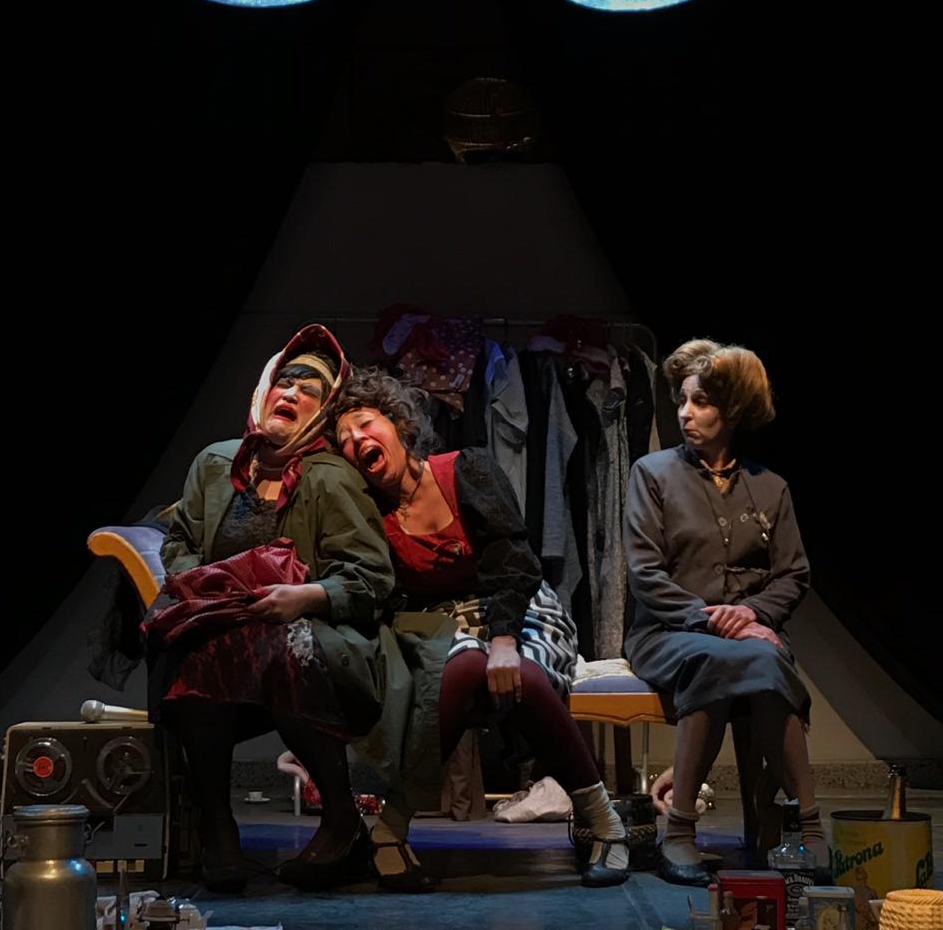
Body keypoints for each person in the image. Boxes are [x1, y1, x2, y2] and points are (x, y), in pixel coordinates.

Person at [333, 367, 630, 891]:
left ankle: (606, 824)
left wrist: (504, 639)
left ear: (398, 423)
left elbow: (513, 558)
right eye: (344, 440)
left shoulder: (465, 469)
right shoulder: (370, 515)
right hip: (439, 628)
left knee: (526, 677)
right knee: (464, 668)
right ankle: (390, 830)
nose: (357, 441)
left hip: (518, 607)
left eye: (364, 424)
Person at [148, 325, 394, 893]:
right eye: (285, 381)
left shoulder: (331, 478)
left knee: (285, 645)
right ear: (264, 391)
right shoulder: (215, 463)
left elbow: (371, 578)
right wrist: (202, 583)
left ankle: (340, 819)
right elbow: (180, 540)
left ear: (323, 411)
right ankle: (217, 825)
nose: (292, 393)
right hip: (220, 626)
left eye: (310, 390)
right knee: (196, 648)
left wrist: (303, 596)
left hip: (315, 635)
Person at [623, 338, 824, 886]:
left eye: (701, 402)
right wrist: (711, 619)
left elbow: (793, 574)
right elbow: (645, 574)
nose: (685, 413)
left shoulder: (770, 487)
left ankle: (809, 829)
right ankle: (680, 831)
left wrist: (752, 614)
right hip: (667, 632)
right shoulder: (652, 474)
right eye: (682, 401)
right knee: (728, 657)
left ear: (732, 411)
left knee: (762, 658)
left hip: (749, 637)